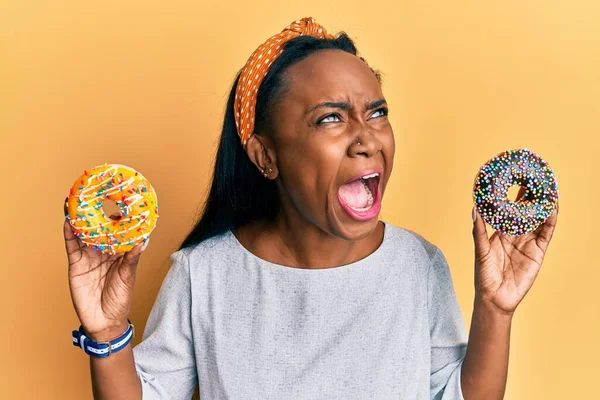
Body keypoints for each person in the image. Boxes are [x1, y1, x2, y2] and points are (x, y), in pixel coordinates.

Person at [63, 17, 558, 400]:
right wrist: (106, 335)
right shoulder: (203, 274)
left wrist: (495, 310)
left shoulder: (418, 265)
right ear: (266, 156)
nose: (367, 138)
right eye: (330, 119)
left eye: (377, 113)